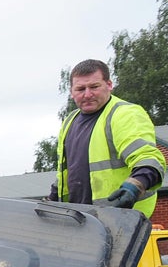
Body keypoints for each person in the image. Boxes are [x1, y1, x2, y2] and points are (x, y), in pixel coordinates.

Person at [50, 59, 165, 218]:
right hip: (80, 221)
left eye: (94, 87)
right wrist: (51, 199)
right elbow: (67, 174)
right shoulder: (70, 121)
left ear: (109, 85)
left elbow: (148, 159)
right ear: (71, 92)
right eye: (80, 88)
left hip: (122, 221)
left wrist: (134, 187)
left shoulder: (125, 114)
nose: (87, 94)